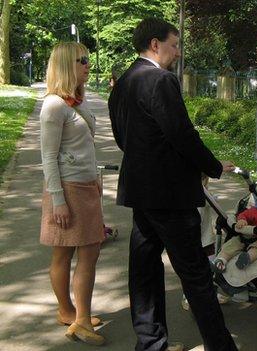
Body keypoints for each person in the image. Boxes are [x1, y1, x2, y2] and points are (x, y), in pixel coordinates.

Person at [108, 18, 237, 351]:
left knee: (145, 272)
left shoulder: (123, 82)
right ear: (155, 44)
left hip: (141, 192)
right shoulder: (160, 80)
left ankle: (151, 343)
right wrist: (211, 166)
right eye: (174, 44)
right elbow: (183, 135)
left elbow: (123, 137)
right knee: (195, 275)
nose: (178, 52)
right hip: (170, 196)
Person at [39, 42, 105, 346]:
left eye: (88, 60)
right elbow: (48, 157)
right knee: (76, 251)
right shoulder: (54, 106)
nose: (87, 65)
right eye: (82, 61)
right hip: (68, 189)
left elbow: (84, 145)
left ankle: (71, 313)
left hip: (86, 185)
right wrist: (58, 201)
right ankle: (76, 318)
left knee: (75, 252)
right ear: (67, 64)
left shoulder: (78, 100)